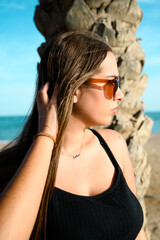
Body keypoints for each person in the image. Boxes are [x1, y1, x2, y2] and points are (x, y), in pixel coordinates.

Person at [0, 31, 147, 240]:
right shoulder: (19, 168)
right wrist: (47, 134)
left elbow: (137, 233)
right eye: (111, 83)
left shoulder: (114, 145)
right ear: (75, 89)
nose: (120, 94)